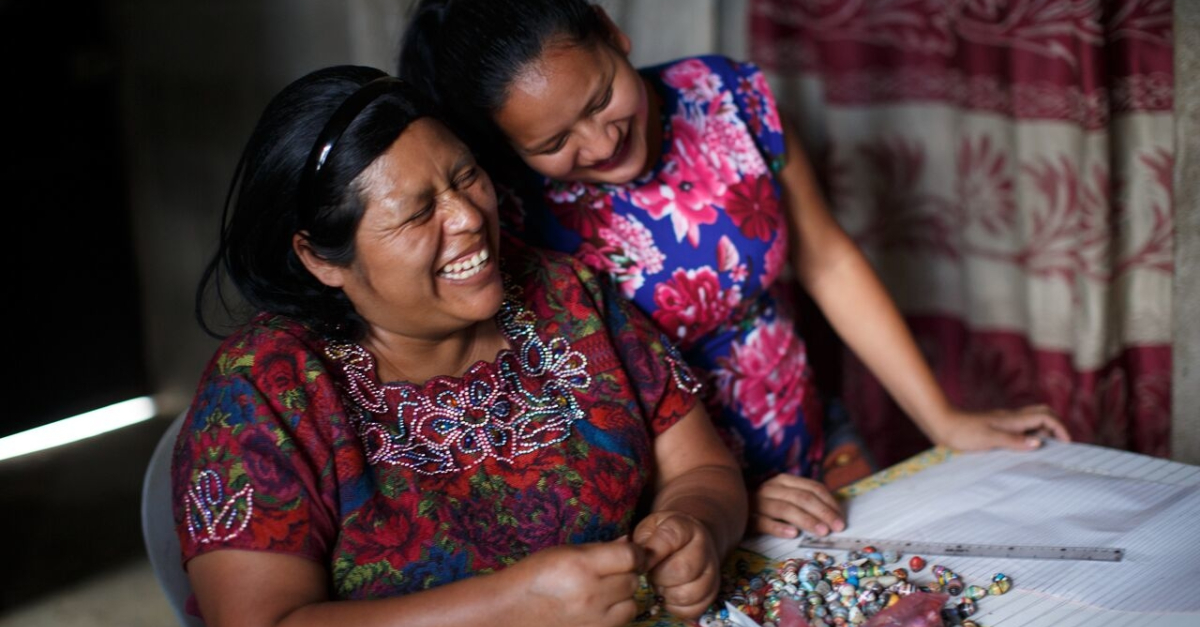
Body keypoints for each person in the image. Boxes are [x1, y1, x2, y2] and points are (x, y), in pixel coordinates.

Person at [397, 0, 1071, 541]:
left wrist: (944, 418)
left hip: (807, 434)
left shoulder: (729, 97)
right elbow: (559, 409)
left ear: (611, 33)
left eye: (601, 97)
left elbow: (827, 259)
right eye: (553, 142)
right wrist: (709, 503)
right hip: (669, 505)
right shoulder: (509, 212)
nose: (601, 141)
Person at [174, 65, 748, 627]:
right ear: (321, 257)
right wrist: (512, 610)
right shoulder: (265, 388)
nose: (470, 217)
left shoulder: (567, 297)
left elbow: (700, 467)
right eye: (420, 213)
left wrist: (692, 527)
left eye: (467, 176)